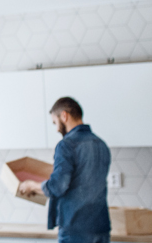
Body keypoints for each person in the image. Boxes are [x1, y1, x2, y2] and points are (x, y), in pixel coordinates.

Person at [19, 97, 111, 243]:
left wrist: (31, 186)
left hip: (75, 229)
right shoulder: (101, 144)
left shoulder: (66, 145)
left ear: (64, 115)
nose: (56, 129)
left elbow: (57, 186)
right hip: (101, 227)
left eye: (55, 122)